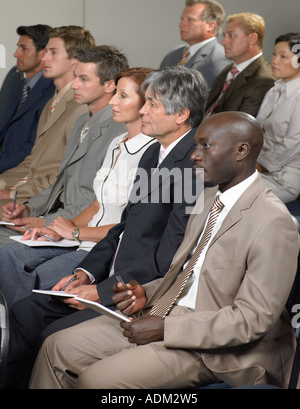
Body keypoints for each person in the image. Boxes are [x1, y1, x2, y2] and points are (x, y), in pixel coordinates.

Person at [29, 111, 299, 390]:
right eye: (196, 145)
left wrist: (168, 329)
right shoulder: (208, 198)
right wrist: (145, 292)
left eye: (206, 145)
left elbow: (252, 319)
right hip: (164, 311)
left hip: (216, 347)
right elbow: (186, 273)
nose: (194, 155)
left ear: (241, 151)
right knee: (56, 347)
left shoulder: (273, 221)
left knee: (96, 379)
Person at [6, 66, 208, 389]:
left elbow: (168, 258)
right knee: (24, 311)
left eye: (152, 104)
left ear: (181, 114)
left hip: (134, 295)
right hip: (107, 279)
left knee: (49, 337)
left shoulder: (189, 167)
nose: (143, 109)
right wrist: (85, 274)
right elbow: (123, 227)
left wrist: (98, 293)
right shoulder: (154, 152)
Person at [0, 67, 156, 309]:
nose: (113, 101)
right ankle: (14, 328)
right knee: (8, 256)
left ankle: (20, 329)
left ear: (147, 104)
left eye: (123, 96)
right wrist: (61, 229)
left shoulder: (152, 153)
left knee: (35, 278)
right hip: (80, 238)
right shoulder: (117, 142)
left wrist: (73, 233)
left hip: (102, 248)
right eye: (115, 94)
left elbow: (130, 227)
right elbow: (96, 204)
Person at [0, 46, 128, 249]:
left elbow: (97, 201)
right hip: (57, 220)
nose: (74, 85)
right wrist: (28, 208)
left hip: (79, 233)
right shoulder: (81, 122)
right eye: (75, 77)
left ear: (110, 85)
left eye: (84, 79)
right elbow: (62, 181)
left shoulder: (119, 130)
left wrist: (48, 222)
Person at [0, 26, 96, 209]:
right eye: (46, 52)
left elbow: (65, 174)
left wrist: (13, 193)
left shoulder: (81, 108)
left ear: (75, 59)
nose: (44, 58)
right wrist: (3, 183)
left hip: (44, 203)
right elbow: (33, 161)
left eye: (53, 52)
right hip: (29, 193)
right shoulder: (52, 102)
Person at [0, 25, 55, 172]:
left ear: (43, 53)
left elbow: (32, 149)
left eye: (24, 49)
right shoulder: (20, 86)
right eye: (18, 48)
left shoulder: (52, 92)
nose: (16, 54)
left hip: (19, 171)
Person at [256, 33, 300, 204]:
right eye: (274, 54)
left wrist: (260, 166)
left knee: (232, 196)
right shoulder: (274, 90)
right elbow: (258, 130)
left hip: (285, 177)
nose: (274, 60)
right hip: (257, 168)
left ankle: (289, 225)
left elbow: (293, 143)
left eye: (283, 56)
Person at [205, 13, 274, 118]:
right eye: (224, 36)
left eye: (231, 35)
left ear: (252, 39)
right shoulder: (229, 70)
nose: (224, 42)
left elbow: (241, 129)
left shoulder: (264, 80)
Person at [160, 0, 230, 89]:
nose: (181, 24)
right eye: (182, 19)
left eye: (190, 20)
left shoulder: (220, 58)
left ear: (210, 26)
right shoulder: (173, 54)